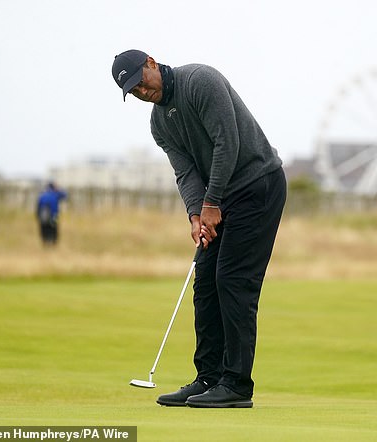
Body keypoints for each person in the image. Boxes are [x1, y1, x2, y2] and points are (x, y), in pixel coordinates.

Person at [112, 50, 286, 408]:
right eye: (134, 91)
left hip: (257, 184)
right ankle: (208, 378)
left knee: (233, 279)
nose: (143, 92)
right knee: (206, 279)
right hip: (220, 198)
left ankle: (237, 384)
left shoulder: (200, 82)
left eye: (141, 82)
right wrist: (196, 214)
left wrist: (211, 203)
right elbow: (186, 172)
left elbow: (228, 144)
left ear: (151, 62)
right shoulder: (160, 124)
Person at [36, 182, 67, 246]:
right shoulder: (55, 194)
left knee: (44, 230)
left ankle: (45, 243)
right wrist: (58, 189)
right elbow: (65, 195)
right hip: (53, 216)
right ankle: (53, 244)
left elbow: (38, 207)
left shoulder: (42, 195)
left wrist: (38, 216)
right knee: (53, 230)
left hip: (43, 216)